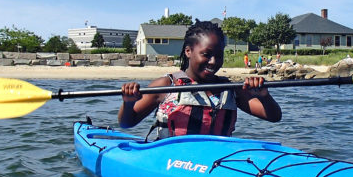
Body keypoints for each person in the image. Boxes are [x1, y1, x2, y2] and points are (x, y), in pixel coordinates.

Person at [119, 21, 281, 139]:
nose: (213, 61)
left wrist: (264, 96)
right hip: (171, 161)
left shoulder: (231, 89)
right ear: (188, 51)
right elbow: (127, 123)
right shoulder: (166, 86)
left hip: (217, 161)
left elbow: (274, 117)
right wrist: (128, 102)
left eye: (218, 56)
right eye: (206, 54)